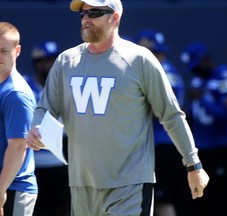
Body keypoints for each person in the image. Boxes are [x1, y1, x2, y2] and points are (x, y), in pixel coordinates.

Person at [26, 0, 210, 215]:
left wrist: (193, 165)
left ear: (115, 17)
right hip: (81, 185)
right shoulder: (66, 61)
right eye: (83, 13)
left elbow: (172, 116)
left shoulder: (139, 59)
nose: (86, 19)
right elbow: (44, 109)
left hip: (130, 184)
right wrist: (37, 127)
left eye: (94, 12)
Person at [134, 29, 192, 216]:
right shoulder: (170, 70)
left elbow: (156, 111)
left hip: (161, 144)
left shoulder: (157, 72)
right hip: (167, 143)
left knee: (161, 202)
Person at [180, 41, 227, 216]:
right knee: (202, 200)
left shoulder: (225, 77)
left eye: (197, 66)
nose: (195, 71)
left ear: (206, 60)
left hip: (220, 146)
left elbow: (226, 116)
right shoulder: (197, 80)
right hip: (201, 149)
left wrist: (202, 98)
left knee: (222, 199)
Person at [24, 41, 70, 216]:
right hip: (31, 164)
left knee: (62, 209)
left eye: (53, 60)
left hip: (58, 162)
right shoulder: (25, 87)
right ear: (36, 63)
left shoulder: (65, 88)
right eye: (45, 61)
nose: (50, 65)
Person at [0, 21, 38, 216]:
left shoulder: (15, 93)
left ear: (18, 51)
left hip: (12, 189)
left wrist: (0, 191)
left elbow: (18, 146)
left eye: (4, 51)